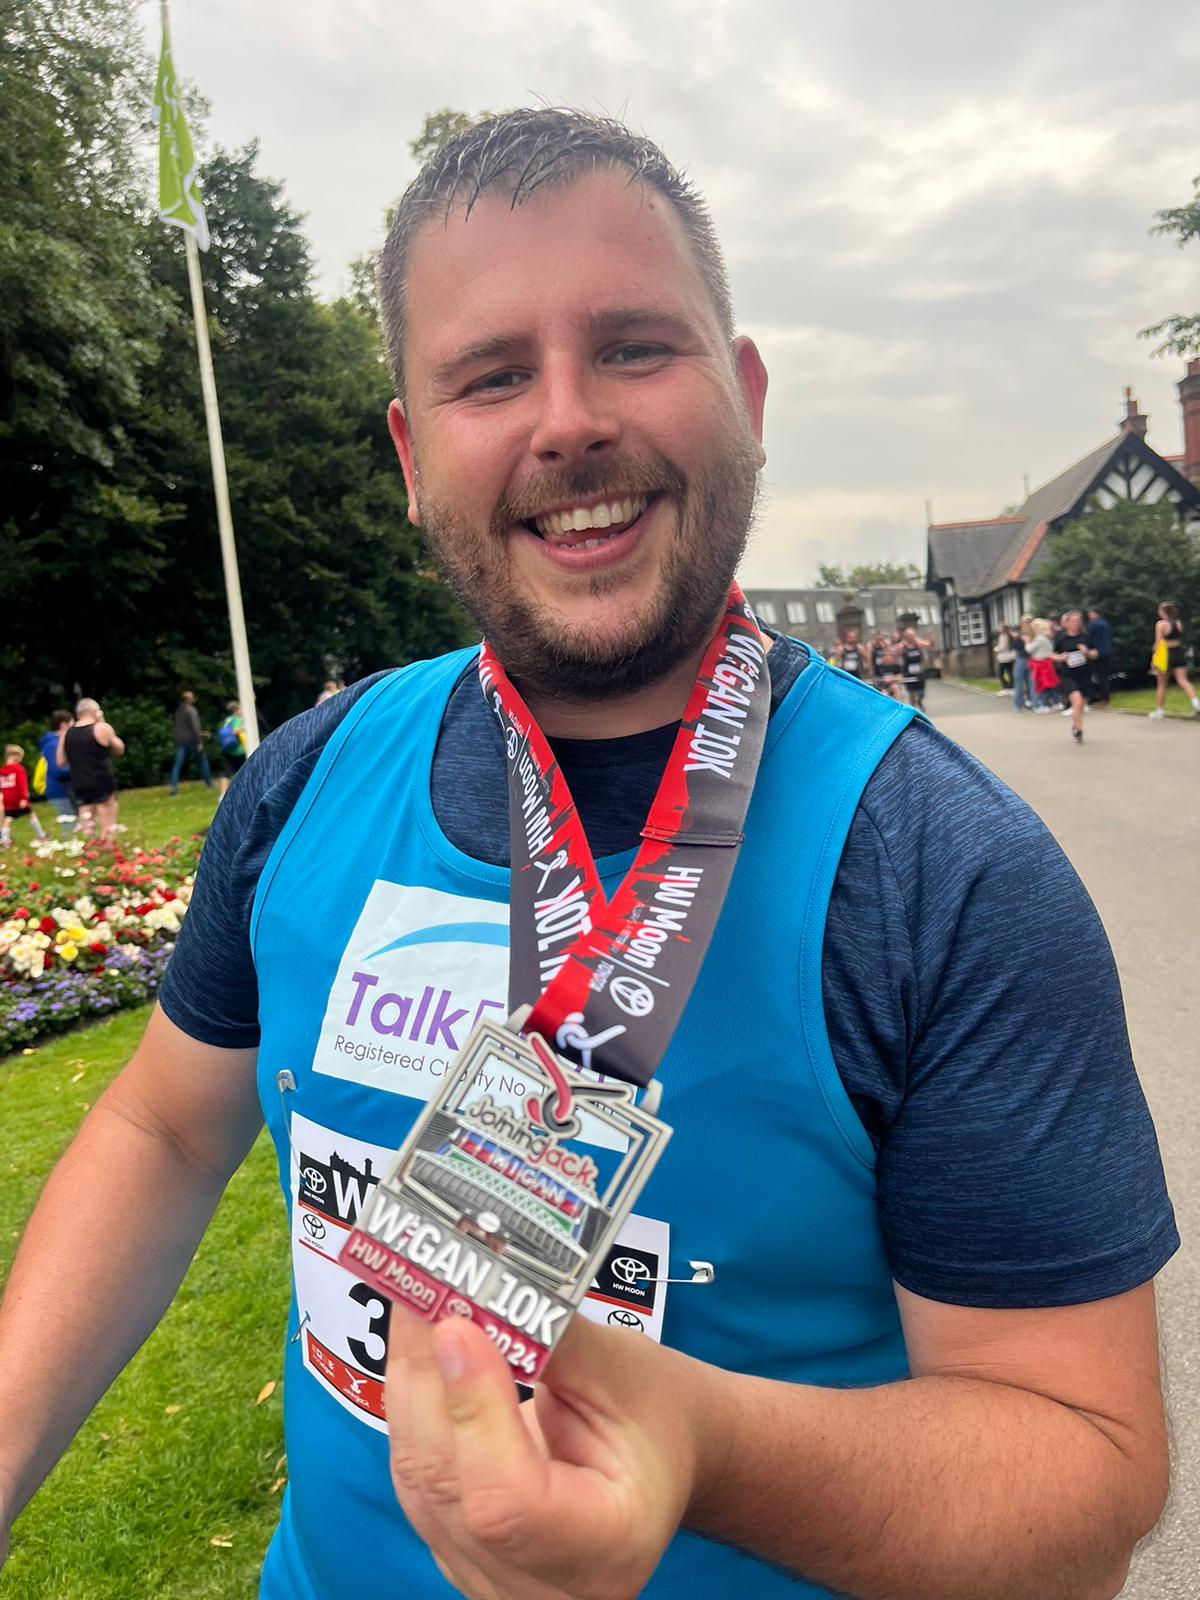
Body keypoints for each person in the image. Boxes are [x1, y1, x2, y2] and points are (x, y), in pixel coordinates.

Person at [0, 110, 1175, 1600]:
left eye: (633, 347)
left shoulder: (940, 867)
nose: (568, 421)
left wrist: (703, 1453)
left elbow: (1086, 1478)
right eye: (493, 375)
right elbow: (163, 1132)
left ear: (744, 395)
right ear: (415, 457)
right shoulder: (307, 782)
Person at [57, 698, 124, 840]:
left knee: (87, 826)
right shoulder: (101, 728)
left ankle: (91, 855)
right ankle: (109, 854)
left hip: (80, 784)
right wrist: (103, 721)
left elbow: (60, 761)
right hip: (102, 782)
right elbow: (119, 749)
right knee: (108, 826)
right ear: (96, 712)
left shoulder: (67, 733)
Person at [1051, 610, 1097, 744]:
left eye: (1078, 621)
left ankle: (1075, 725)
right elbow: (1051, 654)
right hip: (1068, 675)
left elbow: (1095, 653)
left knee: (1081, 704)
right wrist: (1061, 657)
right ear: (1067, 623)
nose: (1076, 623)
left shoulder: (1085, 638)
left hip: (1084, 674)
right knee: (1076, 701)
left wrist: (1087, 652)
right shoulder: (1061, 638)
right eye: (1073, 621)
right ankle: (1079, 729)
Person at [1148, 601, 1200, 719]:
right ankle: (1196, 703)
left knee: (1161, 684)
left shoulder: (1160, 624)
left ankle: (1159, 711)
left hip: (1166, 654)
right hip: (1178, 652)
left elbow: (1158, 642)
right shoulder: (1177, 623)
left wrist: (1154, 658)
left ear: (1163, 612)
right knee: (1183, 680)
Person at [37, 711, 77, 832]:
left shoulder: (56, 742)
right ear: (64, 725)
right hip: (59, 791)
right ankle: (70, 846)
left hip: (66, 789)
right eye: (72, 724)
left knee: (75, 822)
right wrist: (79, 769)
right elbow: (57, 770)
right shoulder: (53, 744)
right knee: (69, 824)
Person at [0, 746, 47, 848]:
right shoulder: (18, 769)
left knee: (7, 820)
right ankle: (41, 835)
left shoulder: (2, 771)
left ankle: (5, 841)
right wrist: (24, 798)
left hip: (7, 800)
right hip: (18, 799)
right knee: (31, 815)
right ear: (15, 756)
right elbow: (22, 785)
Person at [169, 690, 214, 795]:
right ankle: (209, 783)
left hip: (181, 740)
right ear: (189, 699)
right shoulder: (191, 710)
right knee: (202, 761)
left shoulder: (178, 711)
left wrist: (201, 733)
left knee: (177, 764)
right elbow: (194, 727)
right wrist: (200, 741)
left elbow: (183, 728)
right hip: (192, 740)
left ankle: (173, 788)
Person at [214, 700, 247, 797]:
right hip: (238, 751)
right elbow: (234, 731)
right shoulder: (237, 719)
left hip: (226, 750)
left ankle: (222, 795)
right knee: (245, 772)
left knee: (225, 774)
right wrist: (244, 728)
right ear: (236, 710)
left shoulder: (227, 720)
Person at [1026, 618, 1060, 712]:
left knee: (1042, 685)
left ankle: (1045, 706)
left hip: (1040, 664)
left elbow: (1029, 649)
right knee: (1049, 684)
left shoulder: (1039, 638)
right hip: (1047, 663)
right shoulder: (1047, 637)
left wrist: (1027, 641)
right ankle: (1057, 703)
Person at [899, 626, 932, 709]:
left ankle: (920, 701)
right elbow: (894, 651)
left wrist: (929, 637)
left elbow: (928, 644)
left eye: (912, 636)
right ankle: (913, 709)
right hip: (908, 671)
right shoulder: (903, 646)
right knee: (911, 692)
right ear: (906, 637)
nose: (911, 638)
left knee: (921, 692)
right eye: (909, 636)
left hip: (918, 671)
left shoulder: (918, 643)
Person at [1085, 608, 1112, 705]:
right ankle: (1106, 695)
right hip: (1106, 651)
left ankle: (1097, 695)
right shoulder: (1105, 624)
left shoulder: (1092, 625)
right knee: (1104, 674)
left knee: (1097, 675)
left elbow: (1089, 638)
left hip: (1095, 652)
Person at [1011, 614, 1035, 712]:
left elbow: (1017, 647)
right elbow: (1016, 646)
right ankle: (1022, 703)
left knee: (1027, 682)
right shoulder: (1026, 635)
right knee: (1024, 683)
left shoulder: (1029, 635)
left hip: (1024, 659)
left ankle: (1023, 704)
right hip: (1025, 659)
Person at [992, 625, 1015, 690]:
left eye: (1001, 629)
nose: (999, 630)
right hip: (1010, 657)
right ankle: (1011, 684)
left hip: (1004, 658)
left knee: (1000, 673)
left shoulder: (1003, 636)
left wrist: (996, 649)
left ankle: (1006, 685)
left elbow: (1002, 647)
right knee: (1009, 672)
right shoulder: (1009, 636)